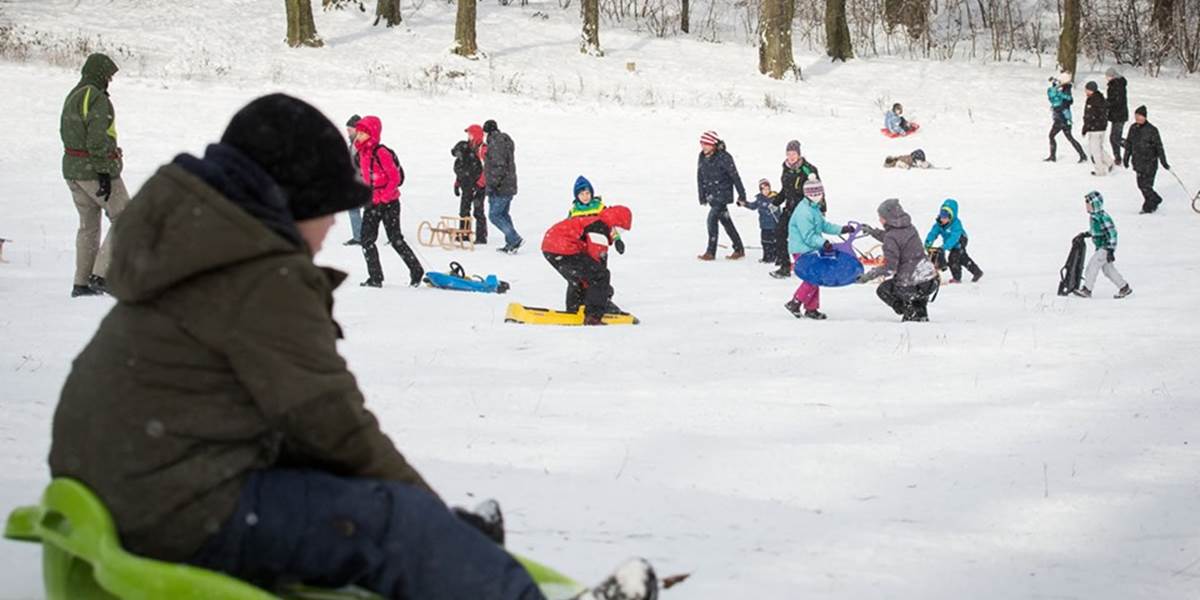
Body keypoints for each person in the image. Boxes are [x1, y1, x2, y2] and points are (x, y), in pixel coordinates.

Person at [47, 94, 658, 600]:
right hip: (176, 506)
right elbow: (336, 428)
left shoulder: (194, 250)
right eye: (328, 209)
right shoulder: (259, 277)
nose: (336, 225)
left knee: (348, 491)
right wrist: (431, 521)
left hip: (114, 484)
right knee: (394, 521)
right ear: (290, 204)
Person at [61, 53, 131, 297]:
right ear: (100, 74)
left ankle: (81, 284)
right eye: (109, 75)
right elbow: (97, 140)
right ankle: (101, 276)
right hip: (94, 169)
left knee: (88, 226)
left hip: (72, 171)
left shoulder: (75, 94)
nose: (110, 80)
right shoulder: (98, 99)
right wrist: (105, 172)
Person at [353, 116, 424, 287]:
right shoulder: (361, 153)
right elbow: (366, 178)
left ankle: (416, 269)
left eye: (363, 132)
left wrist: (383, 197)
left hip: (389, 203)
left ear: (373, 134)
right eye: (359, 132)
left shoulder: (381, 152)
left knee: (395, 239)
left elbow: (394, 178)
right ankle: (375, 277)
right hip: (372, 203)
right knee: (366, 240)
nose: (359, 135)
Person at [541, 203, 633, 326]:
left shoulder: (595, 222)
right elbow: (598, 263)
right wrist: (604, 293)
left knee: (578, 278)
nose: (619, 234)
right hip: (563, 247)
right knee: (600, 275)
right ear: (615, 224)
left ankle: (575, 308)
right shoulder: (599, 229)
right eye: (620, 229)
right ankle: (593, 316)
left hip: (550, 247)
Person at [858, 199, 939, 322]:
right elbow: (895, 238)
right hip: (930, 281)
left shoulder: (892, 237)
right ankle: (920, 310)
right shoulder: (910, 228)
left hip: (910, 284)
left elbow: (890, 268)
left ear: (888, 218)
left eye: (881, 217)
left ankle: (909, 311)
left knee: (883, 290)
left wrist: (868, 276)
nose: (880, 220)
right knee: (915, 289)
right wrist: (873, 232)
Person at [783, 181, 854, 320]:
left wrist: (842, 229)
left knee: (816, 277)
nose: (817, 196)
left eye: (819, 194)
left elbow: (824, 225)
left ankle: (811, 309)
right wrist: (823, 242)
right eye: (813, 194)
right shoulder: (804, 211)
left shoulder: (814, 208)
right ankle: (795, 302)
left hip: (811, 247)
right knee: (813, 277)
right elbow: (808, 235)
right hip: (801, 249)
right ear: (807, 195)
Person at [769, 140, 820, 278]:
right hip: (790, 208)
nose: (791, 156)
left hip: (804, 210)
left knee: (805, 238)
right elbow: (785, 190)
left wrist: (821, 208)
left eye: (793, 153)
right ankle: (785, 266)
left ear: (799, 154)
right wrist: (776, 202)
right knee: (780, 232)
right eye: (788, 153)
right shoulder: (786, 168)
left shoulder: (808, 169)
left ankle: (810, 265)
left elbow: (818, 190)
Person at [695, 131, 746, 261]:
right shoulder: (702, 156)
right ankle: (739, 248)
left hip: (723, 194)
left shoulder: (724, 157)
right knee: (726, 221)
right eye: (702, 144)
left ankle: (710, 252)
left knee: (712, 219)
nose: (704, 147)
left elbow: (735, 176)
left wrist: (742, 195)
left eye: (707, 144)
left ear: (714, 144)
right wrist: (702, 195)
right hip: (712, 194)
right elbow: (700, 176)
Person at [1073, 191, 1132, 298]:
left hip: (1105, 248)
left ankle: (1087, 290)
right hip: (1101, 247)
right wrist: (1086, 234)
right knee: (1108, 270)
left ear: (1095, 205)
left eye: (1089, 204)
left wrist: (1110, 250)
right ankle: (1124, 287)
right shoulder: (1094, 216)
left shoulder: (1102, 217)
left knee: (1092, 266)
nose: (1086, 206)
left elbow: (1112, 233)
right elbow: (1096, 231)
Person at [483, 119, 523, 253]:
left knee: (494, 216)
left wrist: (493, 184)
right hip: (508, 184)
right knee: (503, 214)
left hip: (500, 187)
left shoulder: (495, 143)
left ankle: (514, 238)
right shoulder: (504, 141)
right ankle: (511, 243)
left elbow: (498, 166)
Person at [1123, 105, 1171, 214]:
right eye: (1136, 116)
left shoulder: (1152, 130)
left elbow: (1159, 147)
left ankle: (1149, 206)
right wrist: (1126, 158)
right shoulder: (1133, 128)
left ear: (1145, 117)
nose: (1138, 118)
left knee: (1146, 186)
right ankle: (1154, 200)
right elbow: (1129, 144)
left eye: (1140, 116)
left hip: (1150, 163)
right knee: (1141, 185)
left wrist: (1164, 162)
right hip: (1138, 162)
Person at [923, 199, 982, 284]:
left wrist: (944, 247)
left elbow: (954, 238)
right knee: (963, 258)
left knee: (953, 259)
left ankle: (956, 278)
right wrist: (928, 242)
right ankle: (977, 272)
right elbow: (933, 233)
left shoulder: (956, 224)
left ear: (951, 217)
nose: (943, 218)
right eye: (942, 214)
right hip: (950, 243)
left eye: (946, 216)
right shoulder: (938, 224)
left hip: (959, 241)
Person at [452, 124, 488, 244]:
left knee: (478, 211)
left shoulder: (482, 149)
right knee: (464, 210)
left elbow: (487, 168)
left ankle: (481, 236)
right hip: (467, 184)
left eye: (471, 134)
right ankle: (464, 234)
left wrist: (480, 184)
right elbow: (462, 168)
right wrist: (457, 183)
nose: (469, 136)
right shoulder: (466, 147)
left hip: (479, 185)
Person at [1045, 73, 1087, 163]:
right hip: (1063, 118)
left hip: (1062, 118)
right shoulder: (1063, 88)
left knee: (1052, 136)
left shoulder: (1065, 90)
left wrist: (1057, 91)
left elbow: (1063, 101)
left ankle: (1053, 157)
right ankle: (1082, 155)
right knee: (1069, 138)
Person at [739, 178, 781, 263]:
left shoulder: (775, 197)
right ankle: (766, 257)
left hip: (774, 225)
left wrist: (773, 210)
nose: (766, 191)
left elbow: (777, 210)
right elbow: (753, 206)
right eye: (764, 189)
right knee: (765, 241)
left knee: (774, 241)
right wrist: (744, 204)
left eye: (767, 189)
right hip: (764, 225)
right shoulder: (759, 199)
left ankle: (775, 256)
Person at [1081, 81, 1113, 176]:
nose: (1085, 91)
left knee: (1095, 150)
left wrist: (1085, 128)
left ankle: (1100, 170)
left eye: (1086, 89)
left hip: (1095, 128)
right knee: (1098, 147)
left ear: (1090, 90)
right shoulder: (1101, 98)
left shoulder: (1092, 100)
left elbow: (1089, 116)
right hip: (1102, 127)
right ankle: (1109, 161)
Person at [343, 115, 364, 246]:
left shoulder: (361, 145)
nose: (348, 132)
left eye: (350, 130)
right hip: (357, 182)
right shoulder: (353, 144)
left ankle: (394, 234)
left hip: (364, 182)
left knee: (378, 210)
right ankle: (358, 236)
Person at [1105, 67, 1129, 165]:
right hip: (1117, 115)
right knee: (1114, 137)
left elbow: (1116, 101)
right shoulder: (1117, 85)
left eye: (1107, 76)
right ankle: (1118, 157)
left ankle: (1131, 146)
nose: (1106, 78)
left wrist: (1107, 103)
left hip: (1119, 115)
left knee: (1115, 138)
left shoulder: (1116, 85)